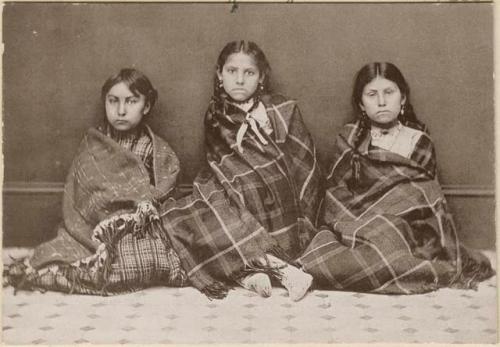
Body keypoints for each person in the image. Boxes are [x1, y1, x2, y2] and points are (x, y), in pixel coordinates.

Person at [297, 62, 494, 294]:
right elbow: (337, 193)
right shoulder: (349, 137)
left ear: (402, 98)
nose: (381, 101)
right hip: (354, 223)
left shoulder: (418, 140)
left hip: (404, 226)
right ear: (361, 103)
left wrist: (388, 216)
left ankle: (386, 264)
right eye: (372, 94)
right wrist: (358, 221)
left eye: (389, 92)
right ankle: (382, 263)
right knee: (318, 256)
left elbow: (423, 195)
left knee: (389, 242)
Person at [159, 40, 323, 301]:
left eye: (249, 73)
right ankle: (265, 271)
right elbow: (220, 160)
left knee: (229, 208)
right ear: (219, 75)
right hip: (233, 184)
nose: (239, 80)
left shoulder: (282, 109)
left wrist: (262, 175)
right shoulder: (216, 113)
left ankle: (262, 268)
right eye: (232, 71)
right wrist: (234, 181)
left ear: (261, 78)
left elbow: (302, 161)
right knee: (182, 218)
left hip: (277, 195)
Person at [5, 68, 188, 294]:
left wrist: (142, 204)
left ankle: (104, 269)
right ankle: (70, 271)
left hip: (134, 226)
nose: (121, 110)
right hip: (93, 226)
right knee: (61, 255)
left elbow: (164, 187)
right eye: (113, 101)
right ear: (105, 103)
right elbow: (83, 191)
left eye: (131, 101)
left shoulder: (155, 149)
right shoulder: (93, 145)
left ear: (146, 106)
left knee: (147, 255)